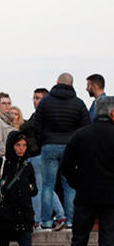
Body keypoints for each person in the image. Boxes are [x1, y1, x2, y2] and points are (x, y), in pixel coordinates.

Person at [61, 96, 114, 246]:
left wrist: (78, 183)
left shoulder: (81, 135)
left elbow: (66, 166)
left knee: (79, 240)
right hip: (110, 197)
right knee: (107, 241)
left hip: (85, 195)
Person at [33, 73, 90, 230]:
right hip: (70, 147)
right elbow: (85, 127)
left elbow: (37, 125)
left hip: (49, 145)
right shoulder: (78, 103)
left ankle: (46, 222)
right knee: (70, 186)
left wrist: (42, 141)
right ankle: (71, 221)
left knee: (47, 185)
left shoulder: (45, 102)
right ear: (72, 84)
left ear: (57, 82)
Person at [26, 88, 67, 228]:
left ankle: (39, 220)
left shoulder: (39, 115)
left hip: (37, 154)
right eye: (34, 98)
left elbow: (27, 127)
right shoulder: (47, 115)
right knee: (46, 187)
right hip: (39, 154)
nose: (35, 101)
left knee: (40, 188)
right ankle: (59, 216)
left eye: (38, 98)